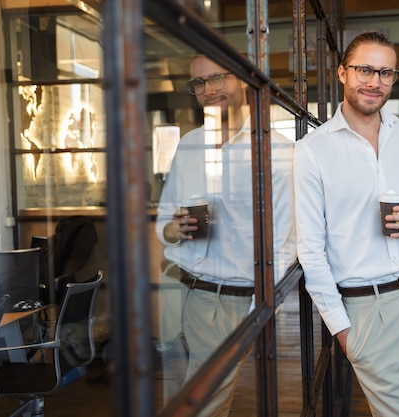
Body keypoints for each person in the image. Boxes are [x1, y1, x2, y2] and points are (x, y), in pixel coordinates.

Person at [293, 31, 399, 417]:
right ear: (342, 73)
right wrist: (345, 333)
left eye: (386, 73)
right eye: (364, 69)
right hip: (370, 308)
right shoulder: (311, 152)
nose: (375, 82)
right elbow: (311, 252)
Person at [155, 54, 297, 416]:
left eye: (218, 79)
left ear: (244, 83)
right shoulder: (188, 144)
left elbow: (287, 241)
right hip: (183, 290)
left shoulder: (277, 150)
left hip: (234, 299)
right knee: (185, 395)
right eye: (199, 83)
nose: (208, 90)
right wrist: (173, 228)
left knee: (200, 402)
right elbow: (164, 219)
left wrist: (259, 307)